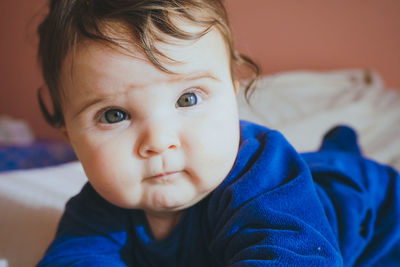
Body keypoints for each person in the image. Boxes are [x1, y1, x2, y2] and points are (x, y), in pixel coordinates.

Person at [36, 0, 400, 266]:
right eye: (114, 115)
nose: (159, 141)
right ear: (71, 137)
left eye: (188, 98)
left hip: (379, 216)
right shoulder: (98, 208)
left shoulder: (262, 174)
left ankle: (342, 150)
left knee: (338, 181)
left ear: (234, 90)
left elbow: (295, 257)